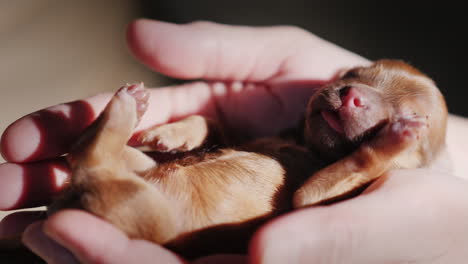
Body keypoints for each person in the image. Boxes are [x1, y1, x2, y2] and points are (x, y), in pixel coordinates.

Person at [1, 19, 467, 264]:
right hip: (152, 179)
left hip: (167, 223)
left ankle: (96, 159)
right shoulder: (287, 139)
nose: (355, 96)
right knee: (136, 171)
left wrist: (370, 160)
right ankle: (97, 157)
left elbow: (307, 197)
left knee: (136, 207)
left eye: (408, 120)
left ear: (419, 163)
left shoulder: (347, 191)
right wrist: (191, 129)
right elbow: (222, 141)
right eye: (352, 77)